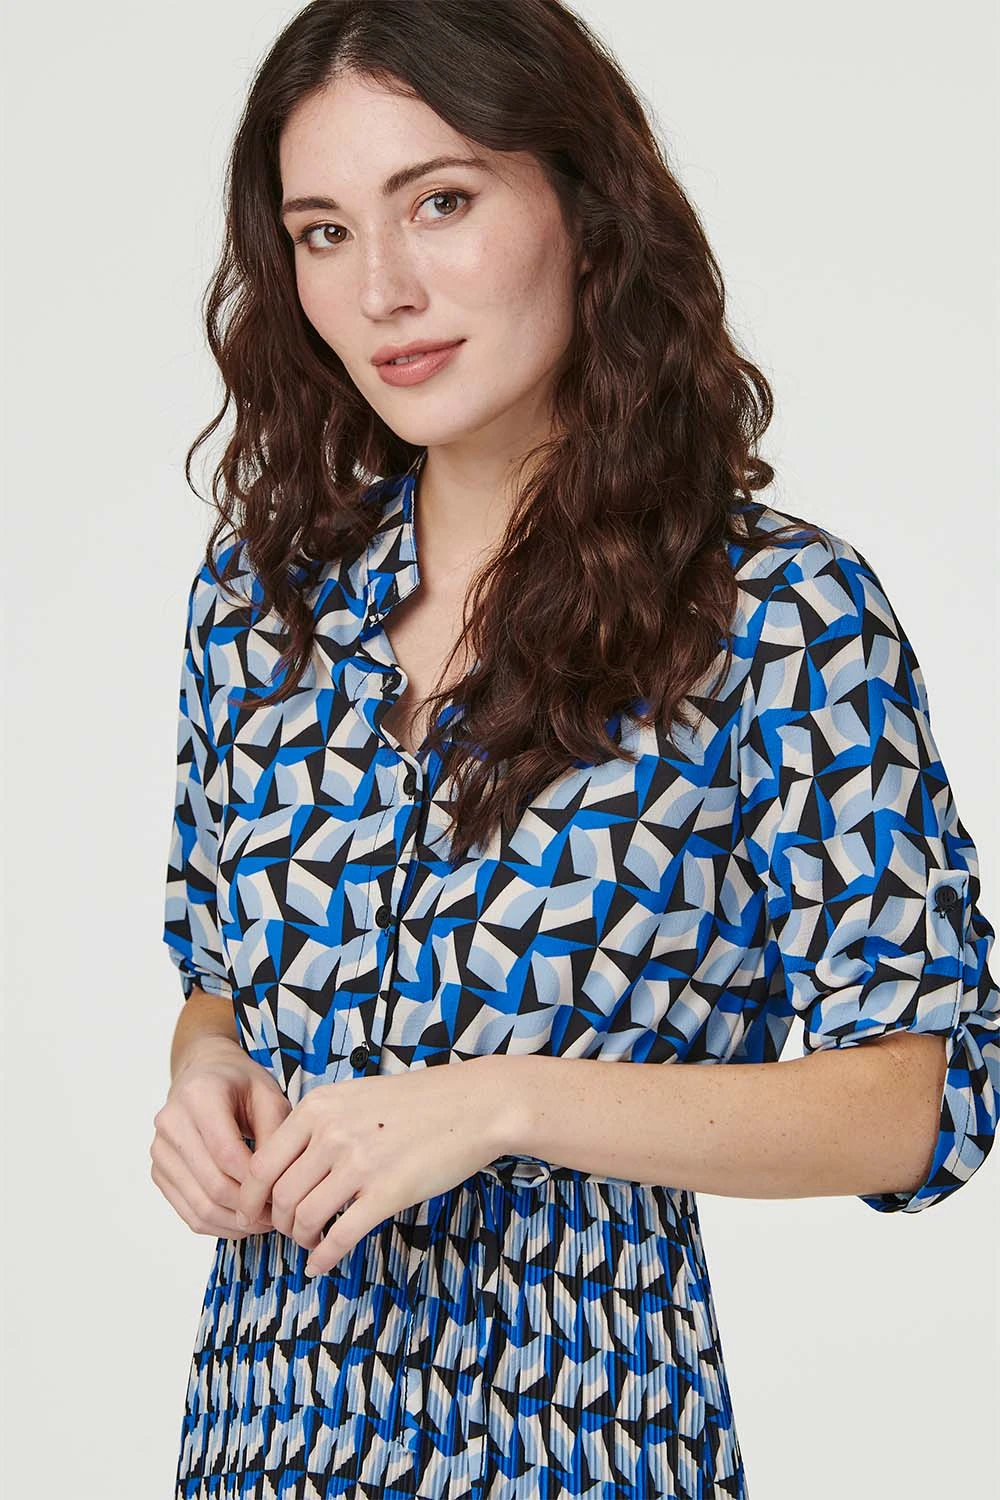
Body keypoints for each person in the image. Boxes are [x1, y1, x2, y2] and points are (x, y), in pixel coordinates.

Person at [151, 2, 1000, 1496]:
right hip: (262, 1437)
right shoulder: (261, 604)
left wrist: (506, 1101)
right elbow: (219, 977)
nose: (384, 287)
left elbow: (916, 1100)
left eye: (441, 202)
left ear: (588, 211)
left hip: (577, 1440)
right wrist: (208, 1078)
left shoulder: (770, 616)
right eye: (324, 232)